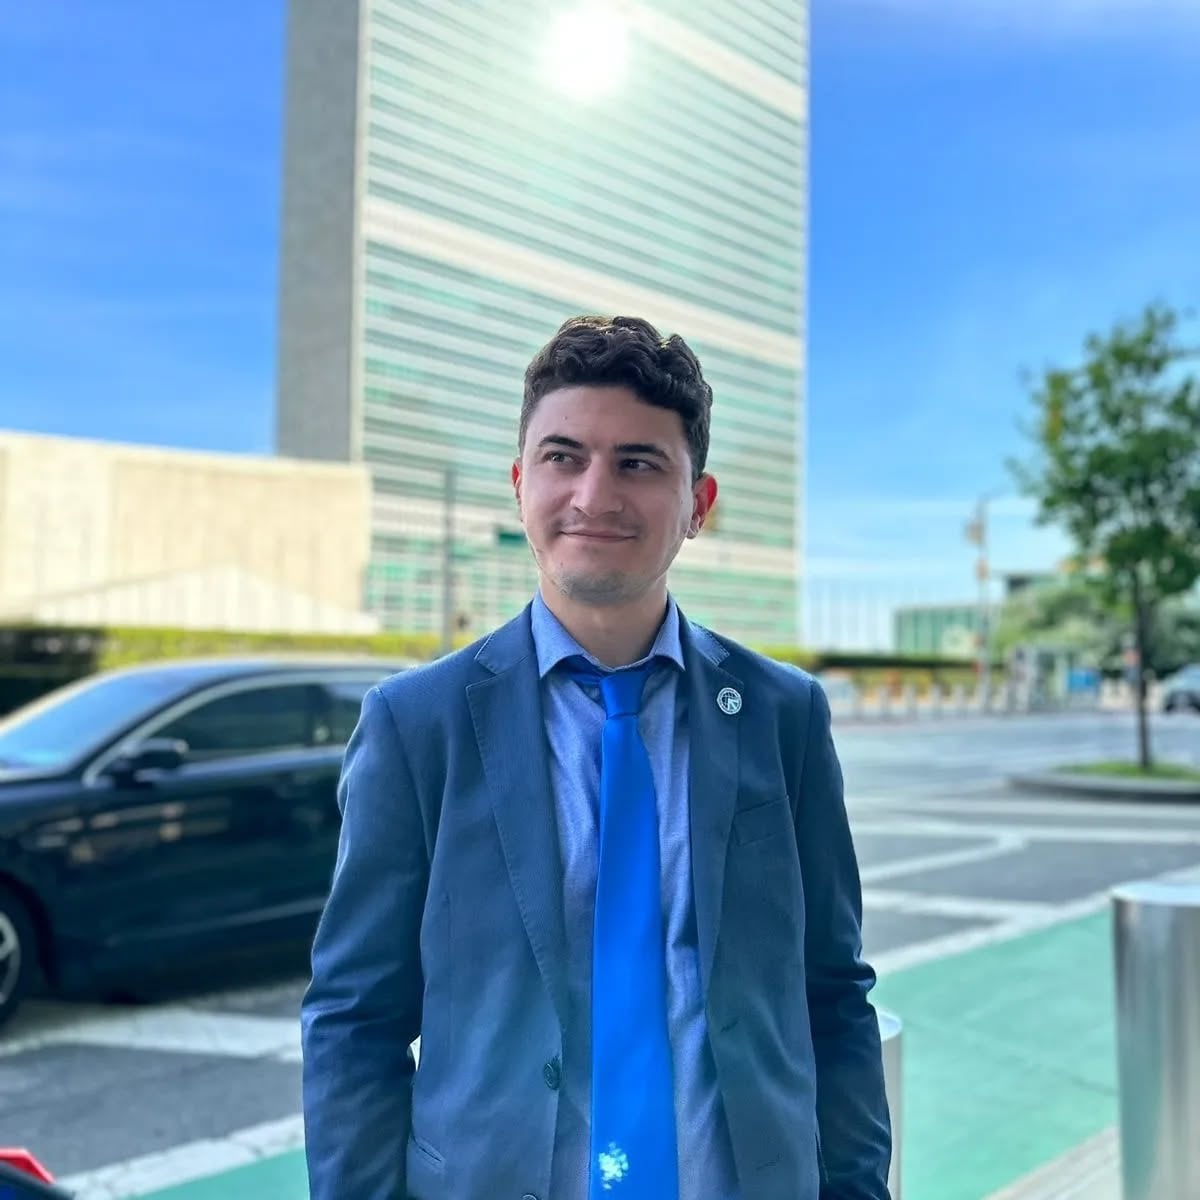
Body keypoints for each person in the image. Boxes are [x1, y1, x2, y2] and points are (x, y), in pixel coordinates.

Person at [301, 315, 892, 1200]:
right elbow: (356, 1019)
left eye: (639, 463)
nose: (594, 494)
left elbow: (833, 994)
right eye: (563, 457)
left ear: (698, 504)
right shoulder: (415, 724)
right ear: (520, 484)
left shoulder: (783, 715)